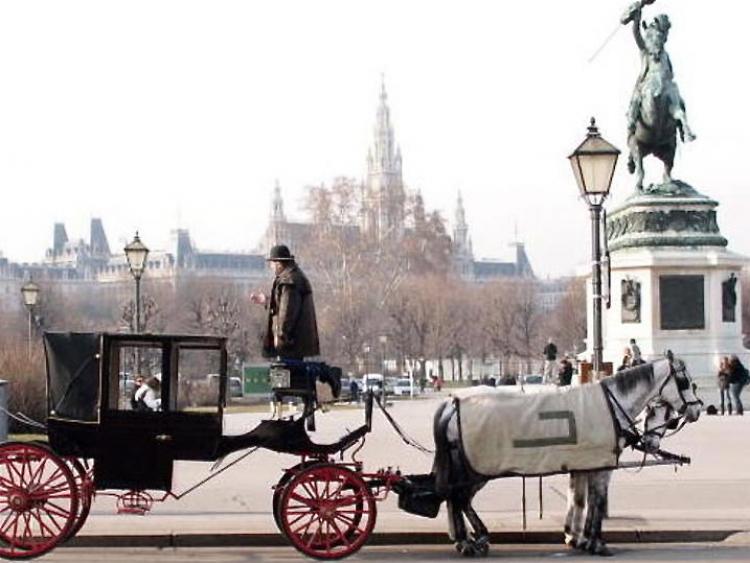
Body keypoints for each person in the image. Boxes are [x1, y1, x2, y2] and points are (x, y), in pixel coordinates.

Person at [250, 244, 319, 360]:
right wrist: (267, 301)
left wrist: (281, 336)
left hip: (291, 344)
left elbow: (287, 311)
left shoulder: (289, 281)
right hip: (295, 343)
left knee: (285, 375)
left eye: (271, 263)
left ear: (278, 263)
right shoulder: (293, 277)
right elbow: (284, 305)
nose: (271, 267)